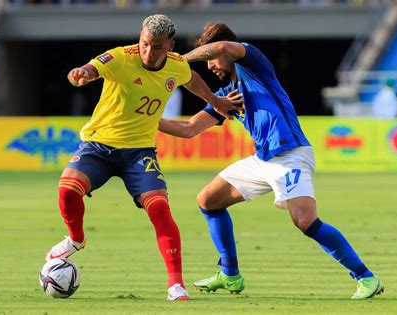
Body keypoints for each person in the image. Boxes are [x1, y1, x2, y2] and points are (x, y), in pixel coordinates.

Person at [159, 22, 384, 299]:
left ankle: (366, 277)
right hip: (263, 160)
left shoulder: (253, 64)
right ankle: (230, 274)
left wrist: (179, 59)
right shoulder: (224, 97)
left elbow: (220, 47)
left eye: (211, 60)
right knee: (208, 200)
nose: (210, 67)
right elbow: (189, 128)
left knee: (305, 221)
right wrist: (147, 119)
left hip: (290, 154)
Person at [45, 15, 238, 301]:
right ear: (140, 37)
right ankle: (76, 238)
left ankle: (175, 285)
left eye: (157, 47)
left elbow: (192, 79)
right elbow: (92, 67)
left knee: (160, 209)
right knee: (67, 191)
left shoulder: (176, 65)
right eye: (145, 43)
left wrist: (217, 101)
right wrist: (82, 73)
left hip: (139, 152)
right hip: (98, 145)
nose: (148, 51)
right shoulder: (122, 57)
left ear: (170, 46)